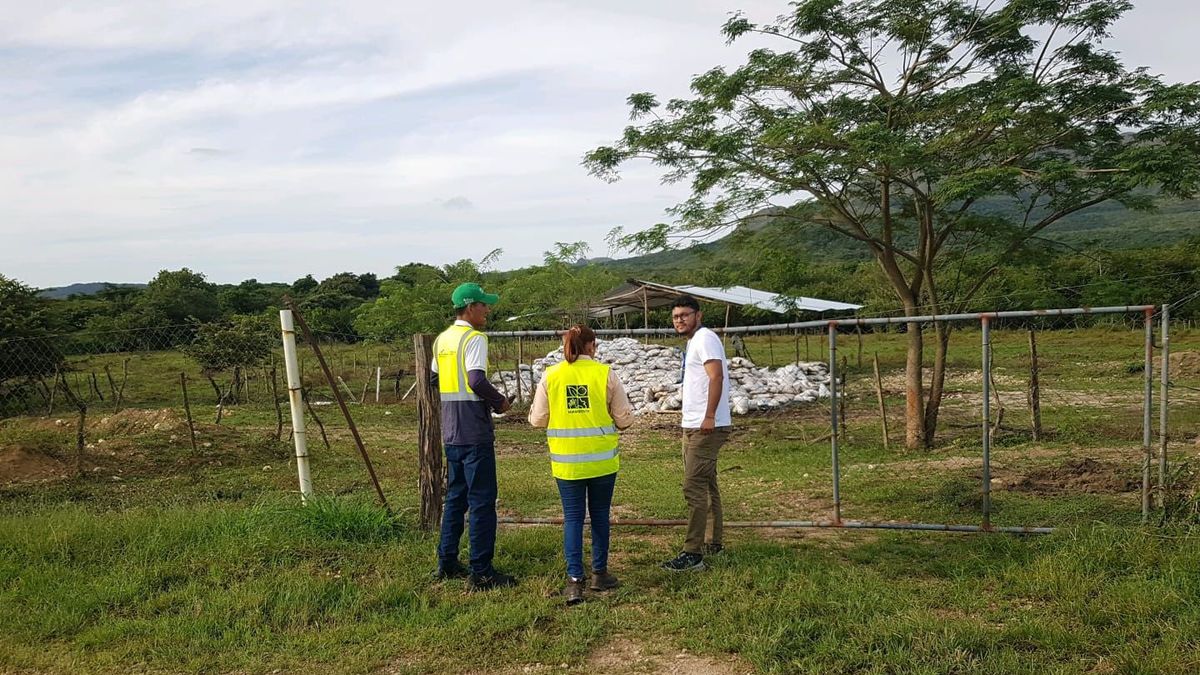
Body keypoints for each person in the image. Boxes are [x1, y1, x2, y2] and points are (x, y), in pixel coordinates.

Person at [529, 324, 635, 605]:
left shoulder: (551, 375)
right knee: (600, 515)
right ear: (591, 346)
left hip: (567, 464)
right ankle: (600, 574)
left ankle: (575, 580)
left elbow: (537, 419)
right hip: (601, 463)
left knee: (573, 518)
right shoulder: (605, 374)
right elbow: (625, 419)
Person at [430, 282, 517, 590]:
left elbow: (434, 378)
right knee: (481, 501)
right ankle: (481, 572)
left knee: (456, 497)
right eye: (484, 305)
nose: (487, 310)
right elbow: (476, 380)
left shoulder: (442, 340)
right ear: (470, 308)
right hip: (474, 430)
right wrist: (500, 402)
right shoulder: (474, 338)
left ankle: (447, 561)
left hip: (451, 430)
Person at [662, 294, 731, 572]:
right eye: (676, 316)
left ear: (698, 315)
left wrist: (710, 416)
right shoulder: (694, 342)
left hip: (706, 426)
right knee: (706, 484)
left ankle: (693, 553)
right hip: (693, 424)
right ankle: (714, 542)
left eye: (685, 315)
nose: (680, 320)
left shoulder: (704, 338)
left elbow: (716, 376)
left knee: (693, 487)